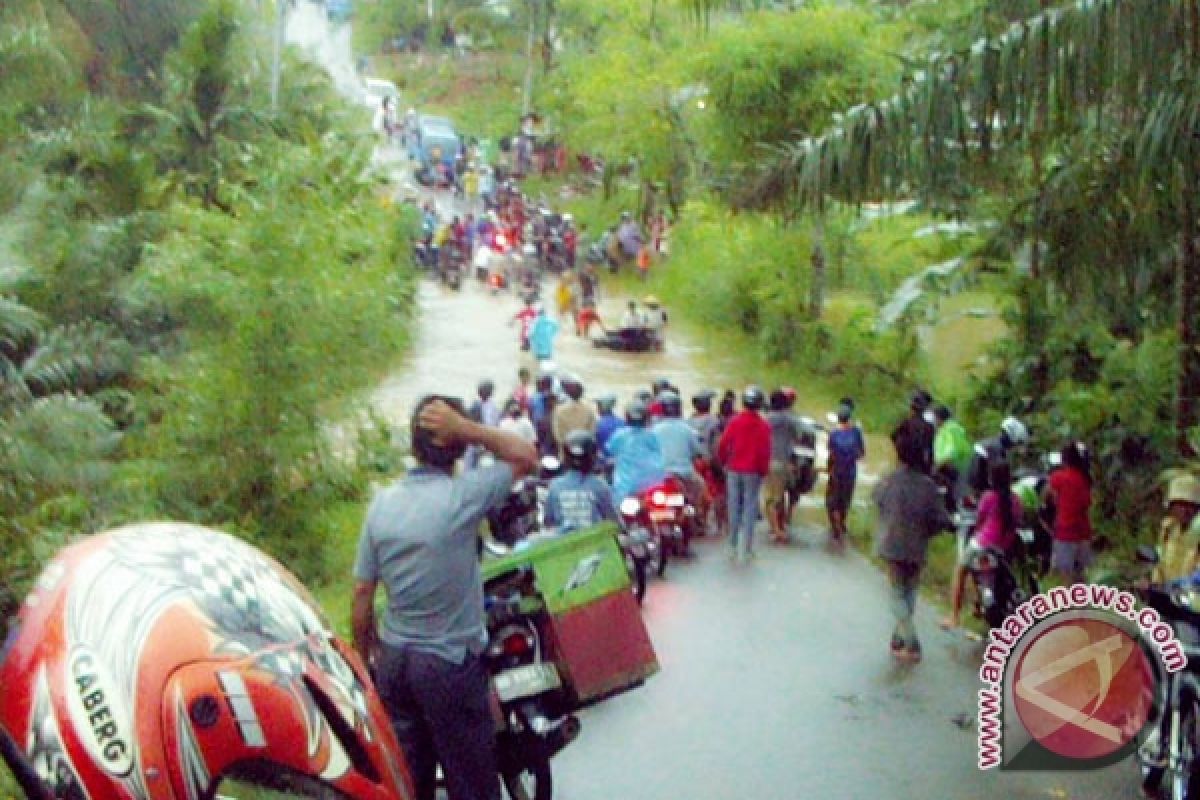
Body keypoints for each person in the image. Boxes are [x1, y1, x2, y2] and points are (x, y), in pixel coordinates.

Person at [353, 396, 538, 800]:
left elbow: (362, 592)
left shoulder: (381, 505)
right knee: (470, 783)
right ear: (457, 446)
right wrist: (468, 429)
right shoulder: (464, 496)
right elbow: (526, 456)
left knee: (408, 782)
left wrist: (367, 656)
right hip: (449, 666)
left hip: (396, 665)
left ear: (413, 446)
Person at [872, 427, 953, 662]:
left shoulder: (889, 481)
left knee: (897, 592)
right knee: (910, 591)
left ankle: (909, 638)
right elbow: (941, 520)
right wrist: (928, 532)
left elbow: (878, 502)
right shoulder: (928, 486)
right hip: (918, 545)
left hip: (892, 543)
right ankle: (899, 637)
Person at [941, 461, 1022, 630]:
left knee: (961, 570)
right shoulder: (1016, 500)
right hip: (1003, 548)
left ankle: (954, 616)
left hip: (983, 543)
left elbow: (979, 519)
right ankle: (980, 605)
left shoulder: (989, 497)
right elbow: (1016, 523)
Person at [717, 386, 772, 563]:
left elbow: (723, 444)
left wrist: (725, 462)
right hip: (753, 471)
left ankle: (732, 546)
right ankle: (747, 549)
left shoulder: (735, 421)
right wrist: (763, 470)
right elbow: (765, 451)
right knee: (749, 509)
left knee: (733, 507)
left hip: (734, 470)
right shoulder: (763, 425)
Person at [653, 390, 709, 530]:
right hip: (685, 474)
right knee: (704, 495)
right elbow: (698, 452)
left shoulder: (653, 430)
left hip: (661, 475)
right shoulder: (687, 429)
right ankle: (699, 519)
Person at [543, 431, 619, 533]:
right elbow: (613, 521)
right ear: (592, 456)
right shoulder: (600, 485)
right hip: (598, 544)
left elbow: (548, 522)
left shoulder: (555, 486)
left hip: (564, 544)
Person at [1044, 440, 1094, 583]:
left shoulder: (1058, 477)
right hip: (1083, 530)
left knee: (1065, 575)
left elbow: (1047, 496)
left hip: (1065, 531)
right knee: (1081, 575)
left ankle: (1069, 603)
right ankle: (1082, 602)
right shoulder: (1084, 478)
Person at [762, 389, 804, 544]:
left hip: (767, 462)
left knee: (771, 497)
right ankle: (777, 529)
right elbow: (800, 435)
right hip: (783, 462)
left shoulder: (766, 420)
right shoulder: (791, 419)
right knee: (778, 497)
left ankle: (775, 527)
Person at [605, 401, 666, 502]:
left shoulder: (619, 435)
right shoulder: (653, 434)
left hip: (625, 488)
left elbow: (609, 450)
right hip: (653, 486)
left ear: (627, 418)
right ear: (646, 418)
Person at [826, 400, 867, 544]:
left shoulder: (834, 434)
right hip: (850, 473)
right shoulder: (856, 432)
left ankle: (835, 526)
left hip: (836, 472)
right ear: (849, 419)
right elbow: (861, 454)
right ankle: (841, 524)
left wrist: (828, 469)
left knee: (832, 501)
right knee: (845, 500)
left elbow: (831, 455)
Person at [966, 416, 1030, 500]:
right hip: (981, 494)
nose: (1016, 446)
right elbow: (997, 478)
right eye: (1019, 442)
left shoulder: (987, 443)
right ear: (1013, 438)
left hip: (970, 489)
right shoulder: (997, 450)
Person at [690, 390, 726, 536]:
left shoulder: (689, 421)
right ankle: (717, 524)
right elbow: (717, 445)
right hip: (708, 461)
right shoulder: (714, 422)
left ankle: (699, 521)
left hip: (693, 461)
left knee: (695, 493)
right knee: (716, 492)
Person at [1154, 474, 1200, 584]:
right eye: (1180, 504)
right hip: (1168, 593)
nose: (1185, 510)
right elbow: (1160, 561)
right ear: (1171, 507)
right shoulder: (1168, 529)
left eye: (1190, 505)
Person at [932, 404, 973, 509]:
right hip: (953, 472)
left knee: (955, 505)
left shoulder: (950, 429)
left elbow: (951, 452)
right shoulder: (946, 429)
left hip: (955, 473)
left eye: (934, 418)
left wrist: (937, 467)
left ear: (939, 417)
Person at [890, 389, 935, 475]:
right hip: (921, 465)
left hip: (905, 462)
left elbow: (893, 437)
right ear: (926, 408)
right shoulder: (929, 427)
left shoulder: (905, 423)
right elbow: (930, 450)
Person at [553, 374, 598, 447]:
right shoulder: (590, 409)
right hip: (584, 447)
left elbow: (558, 436)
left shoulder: (559, 410)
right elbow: (592, 432)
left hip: (566, 449)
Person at [464, 379, 502, 468]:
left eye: (485, 390)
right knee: (469, 464)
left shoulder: (494, 407)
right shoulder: (474, 405)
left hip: (487, 440)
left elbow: (495, 424)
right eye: (481, 390)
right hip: (474, 440)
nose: (482, 392)